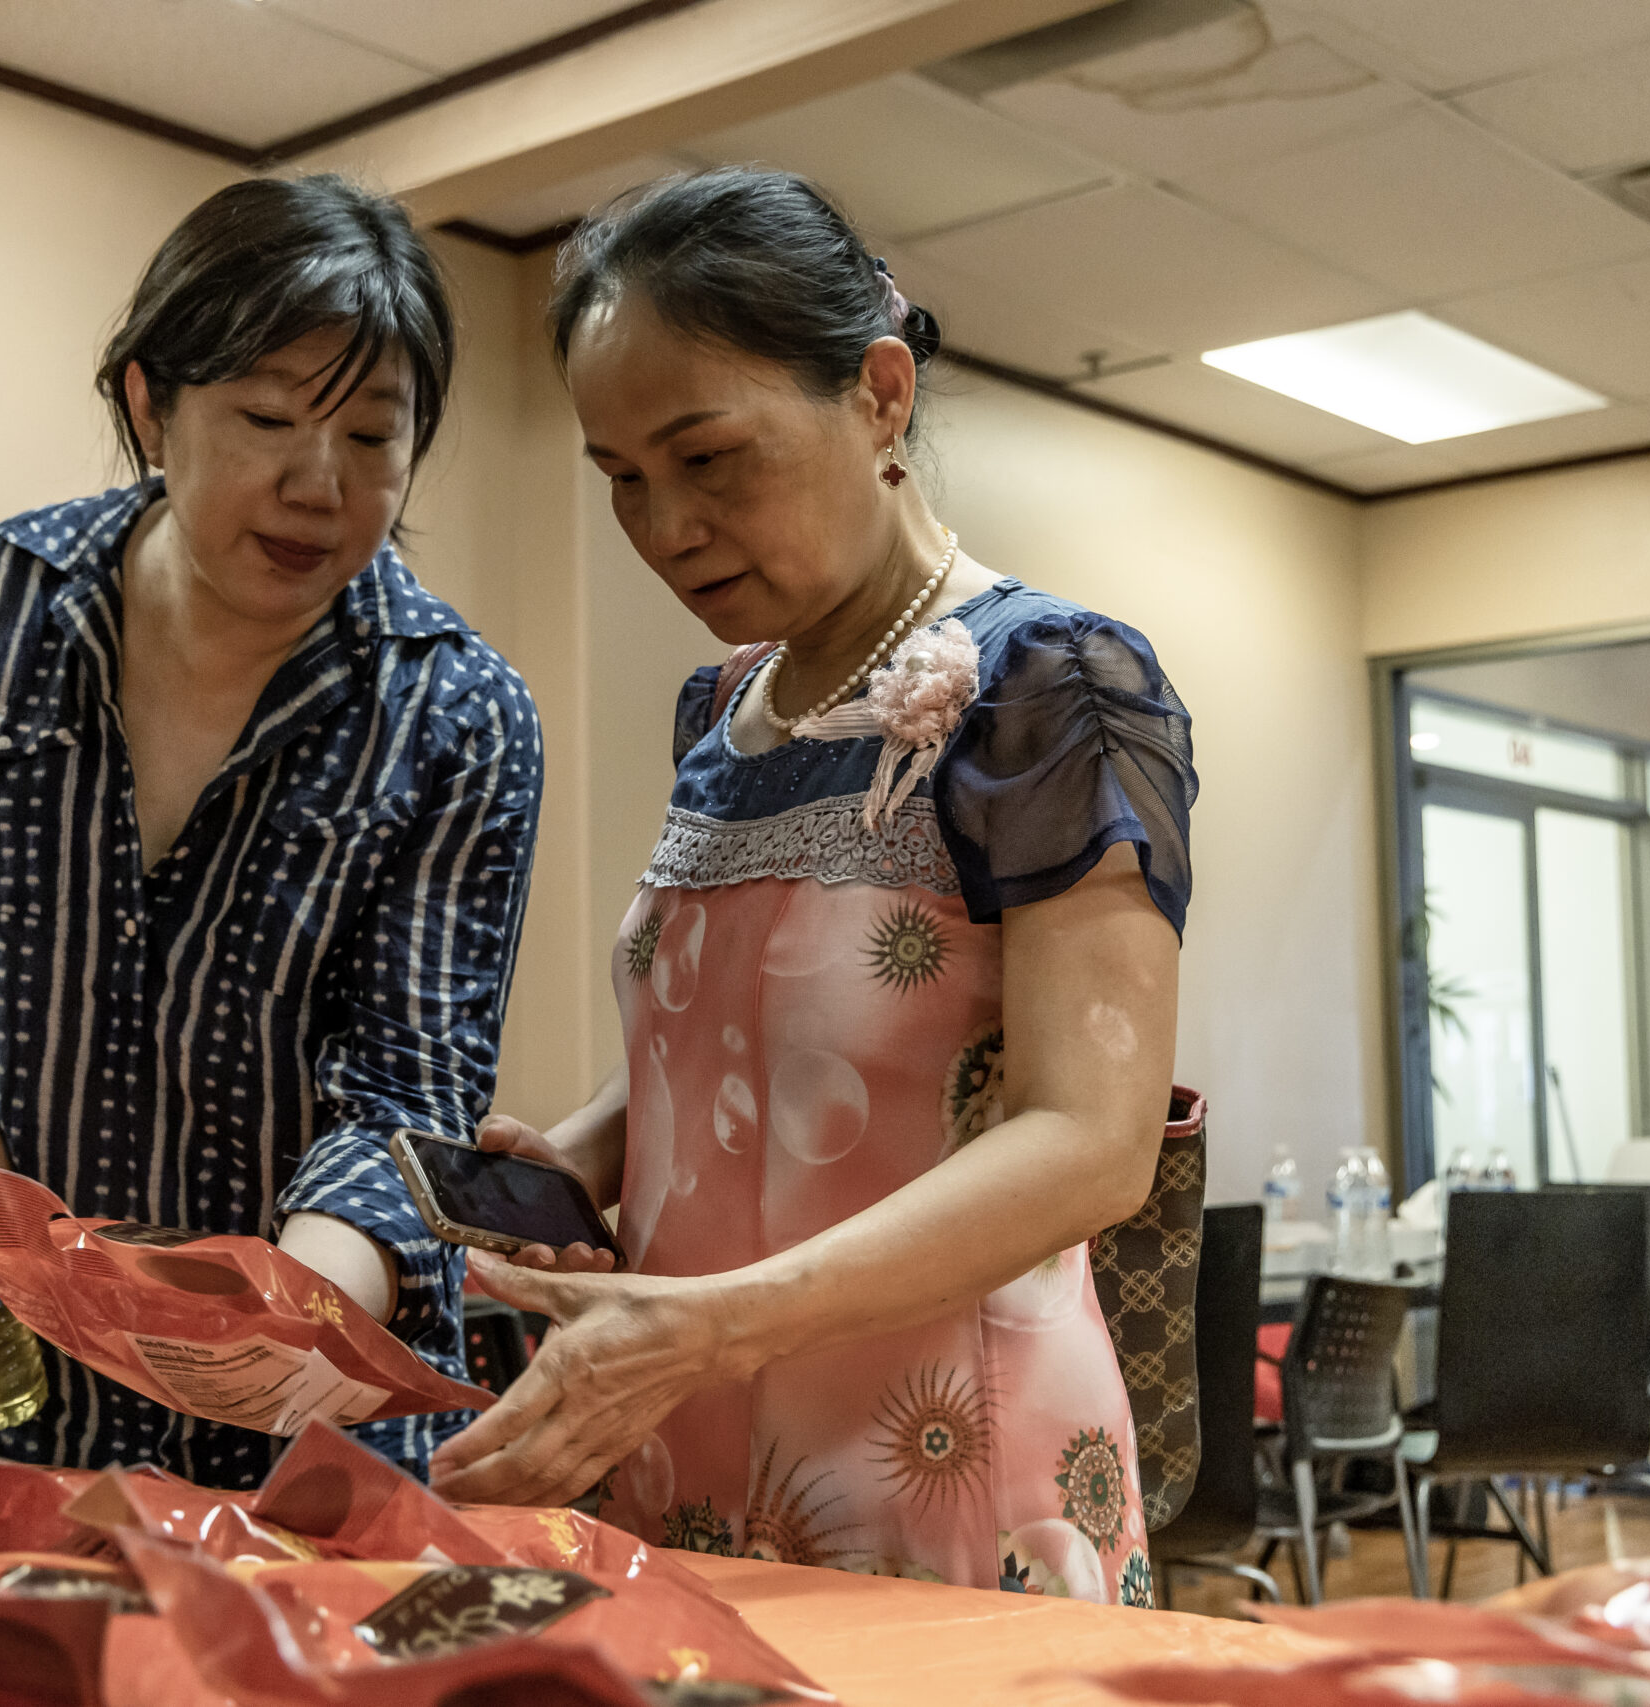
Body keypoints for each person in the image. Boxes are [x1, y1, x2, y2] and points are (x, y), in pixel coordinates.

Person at [428, 168, 1194, 1607]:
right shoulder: (723, 708)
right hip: (689, 1423)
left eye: (709, 459)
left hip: (945, 1454)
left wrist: (712, 1324)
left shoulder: (1054, 685)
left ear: (880, 392)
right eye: (623, 484)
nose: (665, 529)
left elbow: (1095, 1141)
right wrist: (586, 1153)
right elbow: (749, 1030)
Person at [0, 175, 542, 1487]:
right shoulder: (17, 589)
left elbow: (411, 1093)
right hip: (20, 1417)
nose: (316, 486)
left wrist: (273, 1317)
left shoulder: (457, 711)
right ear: (149, 403)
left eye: (374, 439)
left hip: (306, 1438)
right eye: (269, 419)